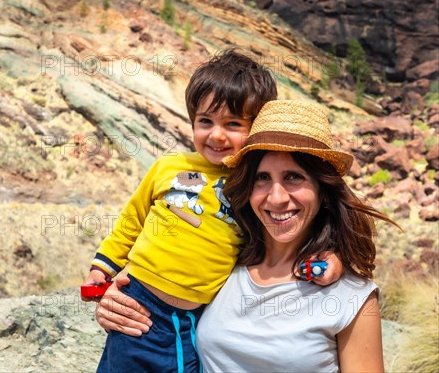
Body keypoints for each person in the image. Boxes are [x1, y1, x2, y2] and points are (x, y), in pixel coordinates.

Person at [84, 50, 344, 373]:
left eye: (233, 124)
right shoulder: (168, 168)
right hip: (136, 297)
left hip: (189, 321)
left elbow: (285, 231)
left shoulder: (251, 185)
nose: (216, 135)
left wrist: (329, 256)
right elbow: (131, 221)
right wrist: (102, 269)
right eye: (205, 121)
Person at [98, 100, 397, 373]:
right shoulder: (224, 270)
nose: (276, 197)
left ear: (324, 192)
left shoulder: (352, 298)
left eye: (294, 177)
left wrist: (335, 254)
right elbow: (167, 287)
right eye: (262, 179)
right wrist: (114, 300)